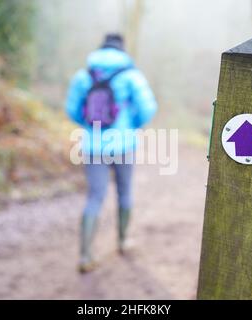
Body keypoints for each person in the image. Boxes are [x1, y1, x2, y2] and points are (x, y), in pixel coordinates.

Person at [66, 33, 157, 273]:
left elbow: (72, 110)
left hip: (93, 146)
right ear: (122, 49)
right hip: (123, 145)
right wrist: (132, 126)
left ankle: (86, 256)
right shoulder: (130, 76)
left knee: (95, 197)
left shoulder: (83, 75)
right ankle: (123, 242)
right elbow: (148, 107)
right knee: (124, 192)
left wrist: (90, 127)